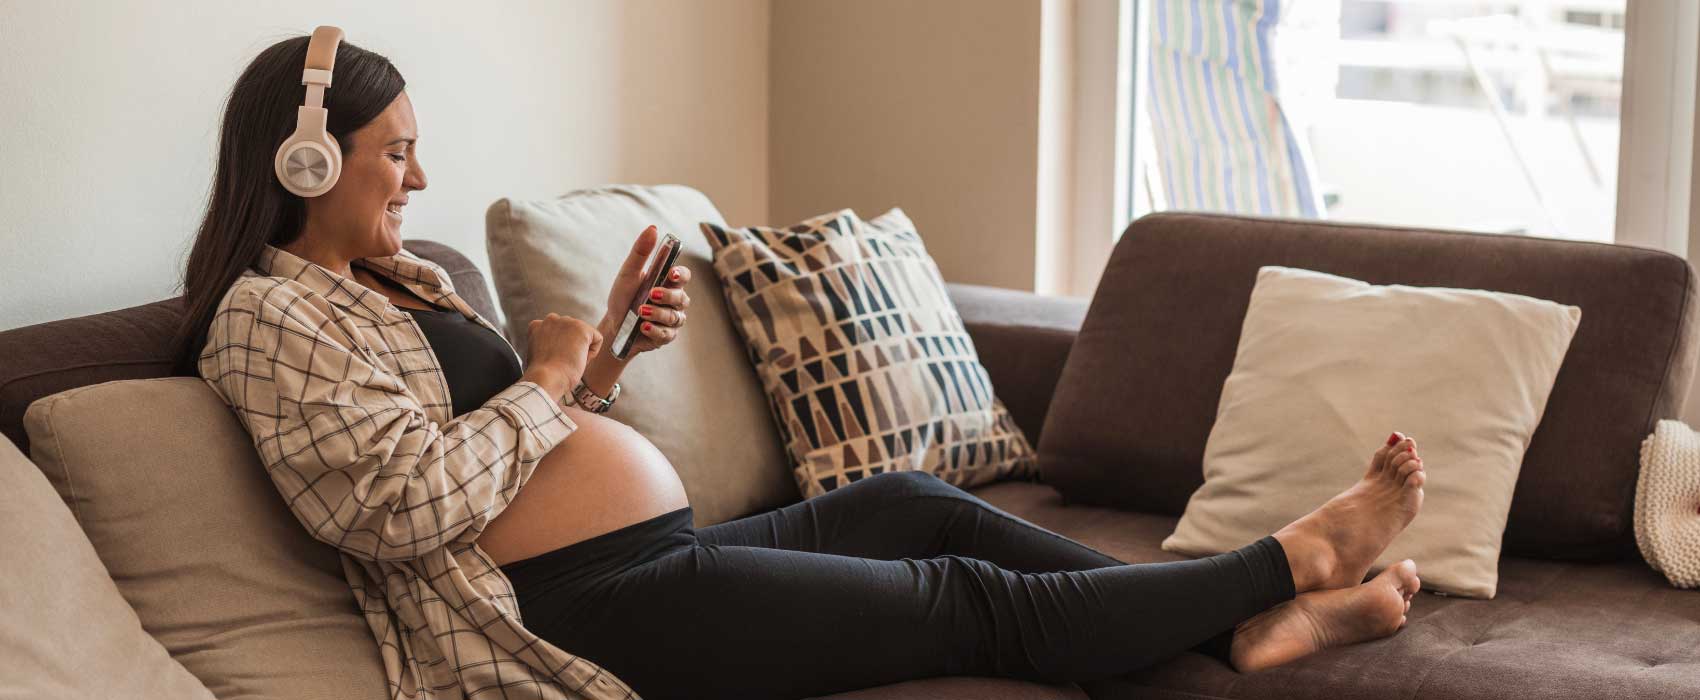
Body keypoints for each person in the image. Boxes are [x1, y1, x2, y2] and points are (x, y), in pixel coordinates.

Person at [177, 31, 1427, 700]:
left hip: (639, 558)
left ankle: (1243, 628)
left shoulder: (405, 279)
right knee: (957, 597)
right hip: (574, 621)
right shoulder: (265, 323)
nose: (419, 178)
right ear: (304, 160)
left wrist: (599, 366)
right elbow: (401, 508)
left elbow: (504, 454)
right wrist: (549, 383)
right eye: (396, 152)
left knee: (912, 501)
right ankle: (1285, 564)